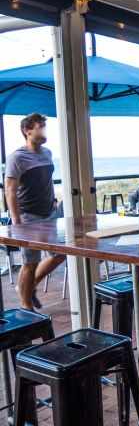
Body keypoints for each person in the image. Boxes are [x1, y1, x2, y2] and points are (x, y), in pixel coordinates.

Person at [5, 113, 66, 310]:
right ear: (27, 130)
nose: (43, 129)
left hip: (49, 214)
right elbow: (10, 190)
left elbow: (46, 181)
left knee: (59, 255)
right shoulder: (17, 157)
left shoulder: (47, 153)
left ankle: (29, 288)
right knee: (30, 262)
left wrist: (54, 202)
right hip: (28, 216)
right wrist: (16, 221)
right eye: (40, 125)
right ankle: (26, 307)